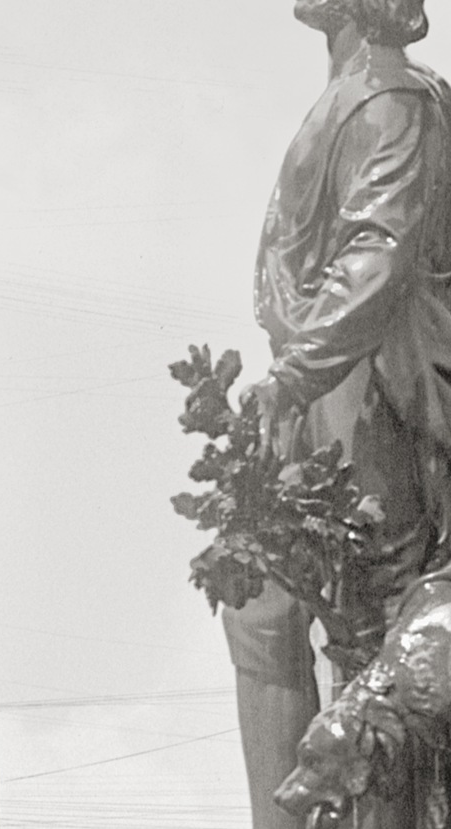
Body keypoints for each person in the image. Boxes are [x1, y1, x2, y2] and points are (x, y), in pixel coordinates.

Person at [233, 0, 451, 825]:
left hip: (375, 397)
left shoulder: (396, 101)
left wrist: (292, 377)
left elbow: (380, 257)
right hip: (322, 390)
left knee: (374, 637)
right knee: (257, 601)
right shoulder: (350, 96)